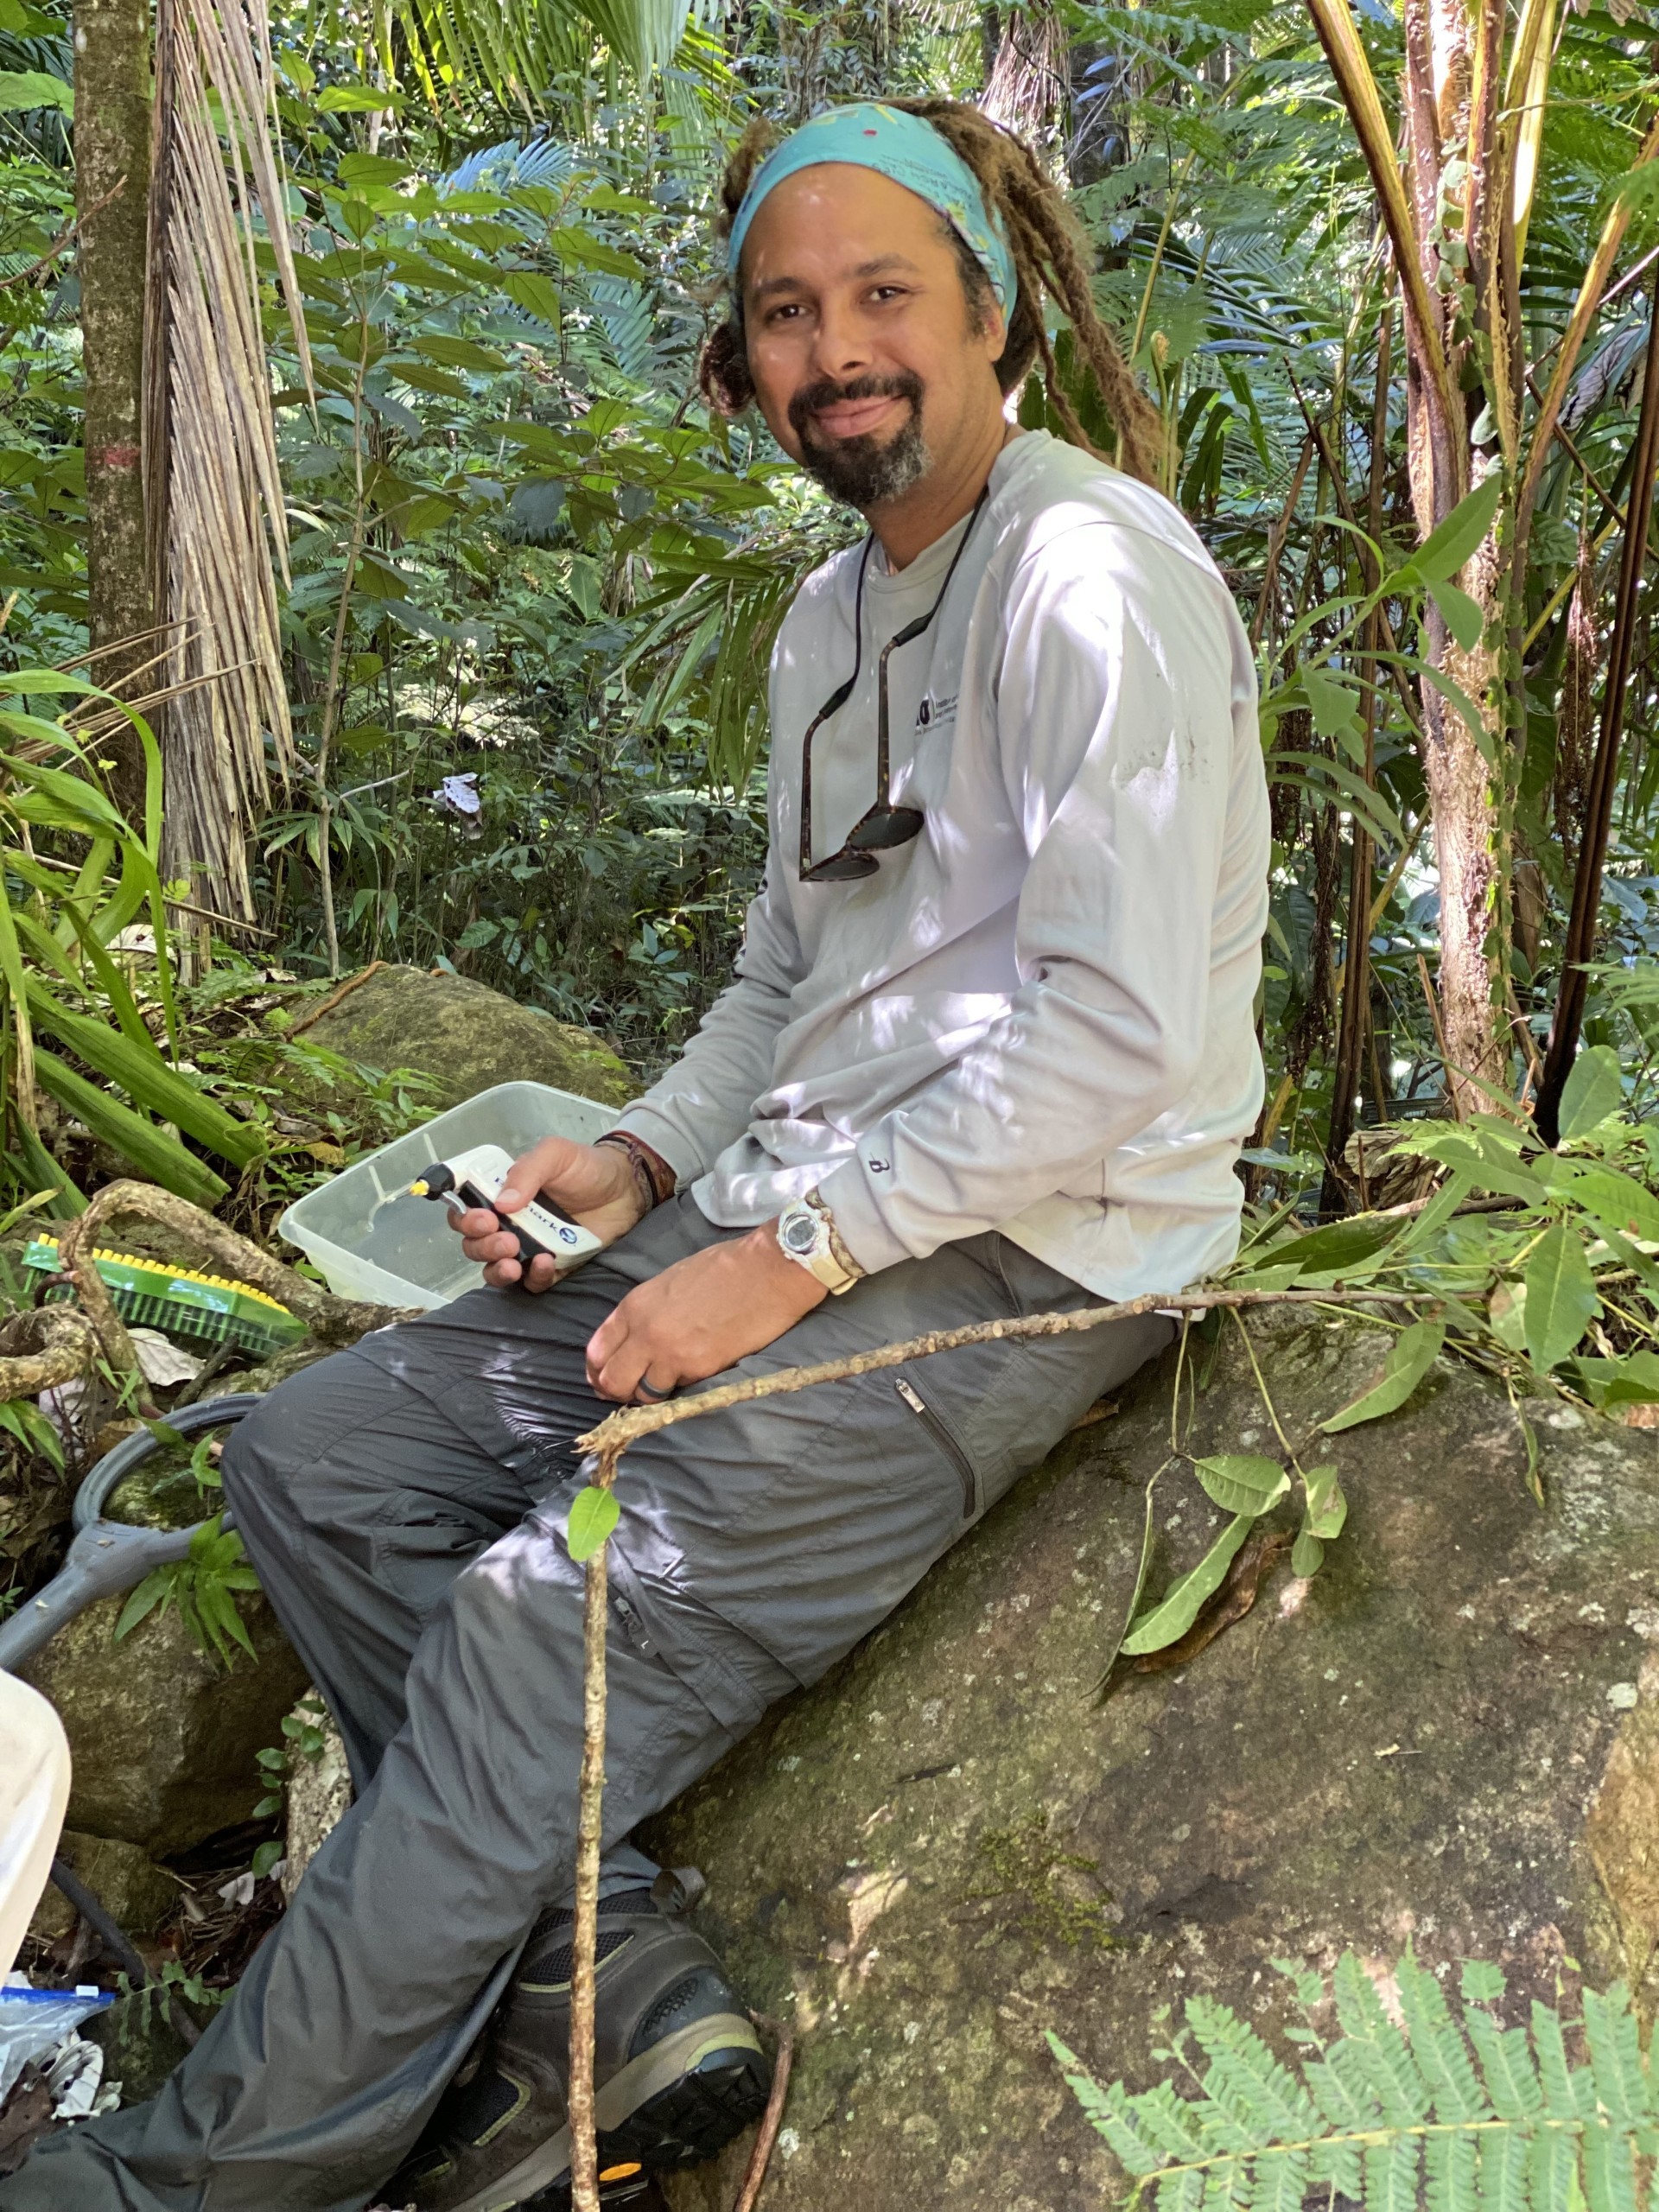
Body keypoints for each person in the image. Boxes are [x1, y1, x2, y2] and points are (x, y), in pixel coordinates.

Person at [0, 96, 1268, 2212]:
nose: (836, 348)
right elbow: (791, 970)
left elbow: (1123, 1037)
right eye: (787, 312)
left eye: (883, 294)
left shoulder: (1090, 571)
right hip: (806, 1199)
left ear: (994, 309)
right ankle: (601, 1968)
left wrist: (784, 1260)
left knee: (538, 1621)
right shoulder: (831, 619)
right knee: (316, 1459)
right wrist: (640, 1164)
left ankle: (194, 2184)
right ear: (741, 363)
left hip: (1034, 1255)